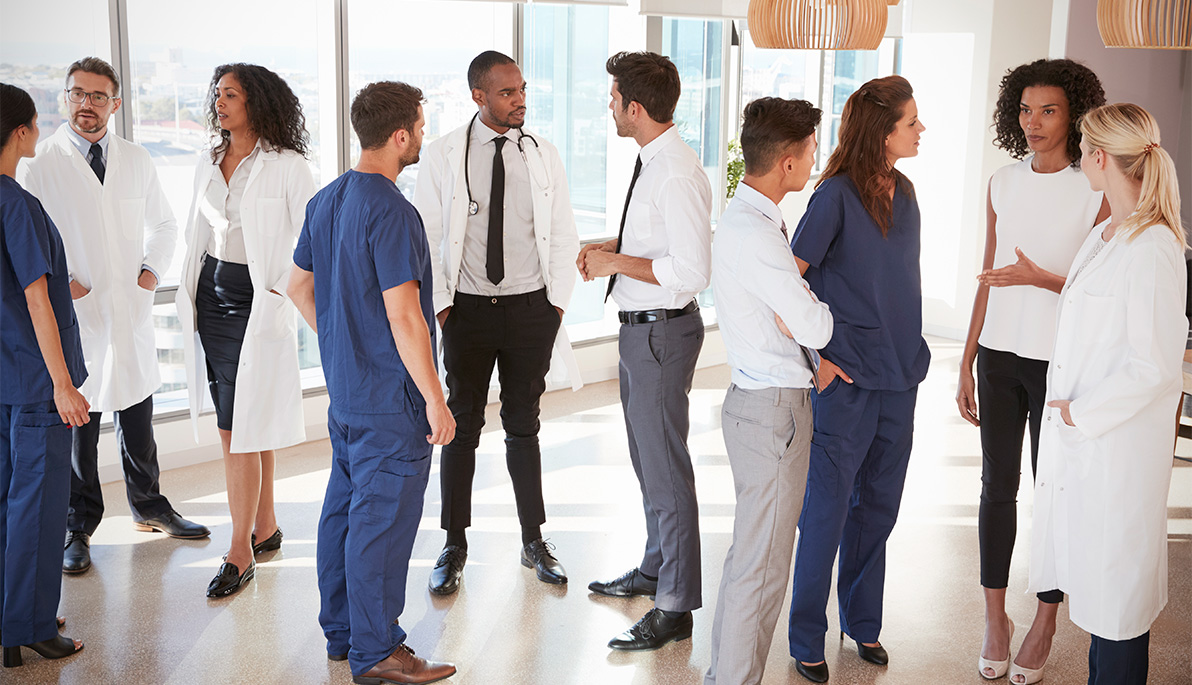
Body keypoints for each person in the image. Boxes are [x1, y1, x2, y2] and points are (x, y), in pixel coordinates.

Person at [287, 80, 457, 684]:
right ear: (401, 135)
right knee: (380, 526)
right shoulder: (391, 209)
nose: (422, 137)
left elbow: (298, 286)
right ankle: (378, 648)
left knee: (343, 513)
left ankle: (342, 631)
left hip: (349, 395)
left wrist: (338, 341)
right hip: (392, 400)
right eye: (420, 125)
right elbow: (405, 315)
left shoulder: (326, 199)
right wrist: (435, 400)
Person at [18, 57, 208, 576]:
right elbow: (32, 239)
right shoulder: (40, 164)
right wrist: (70, 287)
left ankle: (149, 506)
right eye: (78, 94)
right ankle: (77, 525)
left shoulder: (136, 158)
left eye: (98, 96)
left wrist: (149, 274)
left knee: (138, 413)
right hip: (77, 312)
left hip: (130, 310)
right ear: (65, 99)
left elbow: (165, 224)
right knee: (82, 423)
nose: (87, 104)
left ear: (115, 104)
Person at [953, 58, 1108, 683]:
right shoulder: (1003, 181)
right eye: (1024, 109)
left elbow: (1098, 289)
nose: (1034, 121)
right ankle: (996, 617)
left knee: (1053, 494)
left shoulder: (1094, 187)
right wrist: (966, 357)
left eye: (1048, 110)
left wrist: (1038, 277)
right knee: (996, 487)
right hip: (998, 356)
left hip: (1059, 363)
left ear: (1073, 113)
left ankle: (1045, 618)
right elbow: (990, 275)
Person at [1029, 103, 1186, 685]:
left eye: (1082, 149)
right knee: (1098, 604)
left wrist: (1081, 413)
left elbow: (1155, 367)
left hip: (1113, 452)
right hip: (1084, 448)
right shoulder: (1104, 235)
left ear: (1099, 158)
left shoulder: (1153, 248)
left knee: (1118, 612)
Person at [413, 51, 580, 595]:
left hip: (532, 308)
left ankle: (534, 540)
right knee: (461, 428)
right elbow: (430, 236)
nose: (520, 100)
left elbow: (562, 232)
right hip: (468, 309)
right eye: (507, 92)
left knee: (524, 424)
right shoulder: (442, 156)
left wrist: (554, 308)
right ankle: (453, 542)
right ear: (478, 96)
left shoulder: (543, 154)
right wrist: (443, 308)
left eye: (523, 89)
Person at [785, 75, 928, 683]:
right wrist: (816, 357)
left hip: (902, 375)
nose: (921, 130)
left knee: (880, 507)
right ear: (883, 130)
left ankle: (862, 625)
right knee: (827, 511)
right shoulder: (835, 195)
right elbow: (788, 280)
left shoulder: (908, 191)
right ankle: (805, 637)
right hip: (848, 380)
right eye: (911, 122)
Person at [580, 50, 712, 651]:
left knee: (665, 469)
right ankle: (658, 566)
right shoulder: (653, 162)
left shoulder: (676, 171)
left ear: (635, 107)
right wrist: (615, 246)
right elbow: (659, 244)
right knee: (647, 461)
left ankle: (676, 604)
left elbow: (690, 270)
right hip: (642, 331)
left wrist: (613, 261)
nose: (608, 106)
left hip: (661, 331)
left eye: (612, 98)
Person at [705, 97, 833, 685]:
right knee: (761, 568)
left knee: (749, 560)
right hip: (774, 411)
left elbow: (792, 318)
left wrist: (798, 311)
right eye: (810, 150)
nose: (814, 158)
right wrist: (814, 310)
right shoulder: (756, 234)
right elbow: (813, 325)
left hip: (759, 403)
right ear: (787, 162)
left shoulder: (750, 220)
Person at [176, 64, 316, 598]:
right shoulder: (209, 159)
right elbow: (202, 230)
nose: (220, 102)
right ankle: (266, 527)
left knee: (238, 429)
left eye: (230, 94)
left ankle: (240, 553)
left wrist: (281, 290)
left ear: (256, 102)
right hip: (211, 296)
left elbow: (312, 239)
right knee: (242, 416)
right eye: (217, 93)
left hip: (256, 303)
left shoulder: (288, 166)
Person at [0, 82, 89, 669]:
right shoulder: (17, 202)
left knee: (8, 503)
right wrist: (62, 383)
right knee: (38, 506)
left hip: (5, 378)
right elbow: (37, 300)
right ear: (23, 132)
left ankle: (11, 616)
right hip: (34, 384)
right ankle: (29, 625)